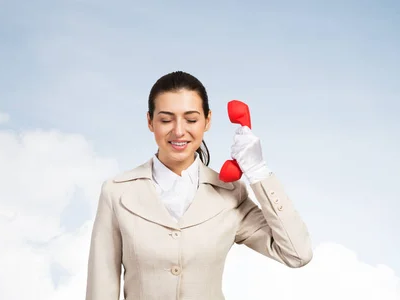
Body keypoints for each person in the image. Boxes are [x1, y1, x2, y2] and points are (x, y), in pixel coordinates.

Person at [85, 71, 313, 300]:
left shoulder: (231, 195)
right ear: (150, 122)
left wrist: (258, 171)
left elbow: (296, 254)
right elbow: (101, 289)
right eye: (165, 120)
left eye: (191, 119)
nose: (179, 131)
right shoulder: (117, 193)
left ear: (208, 121)